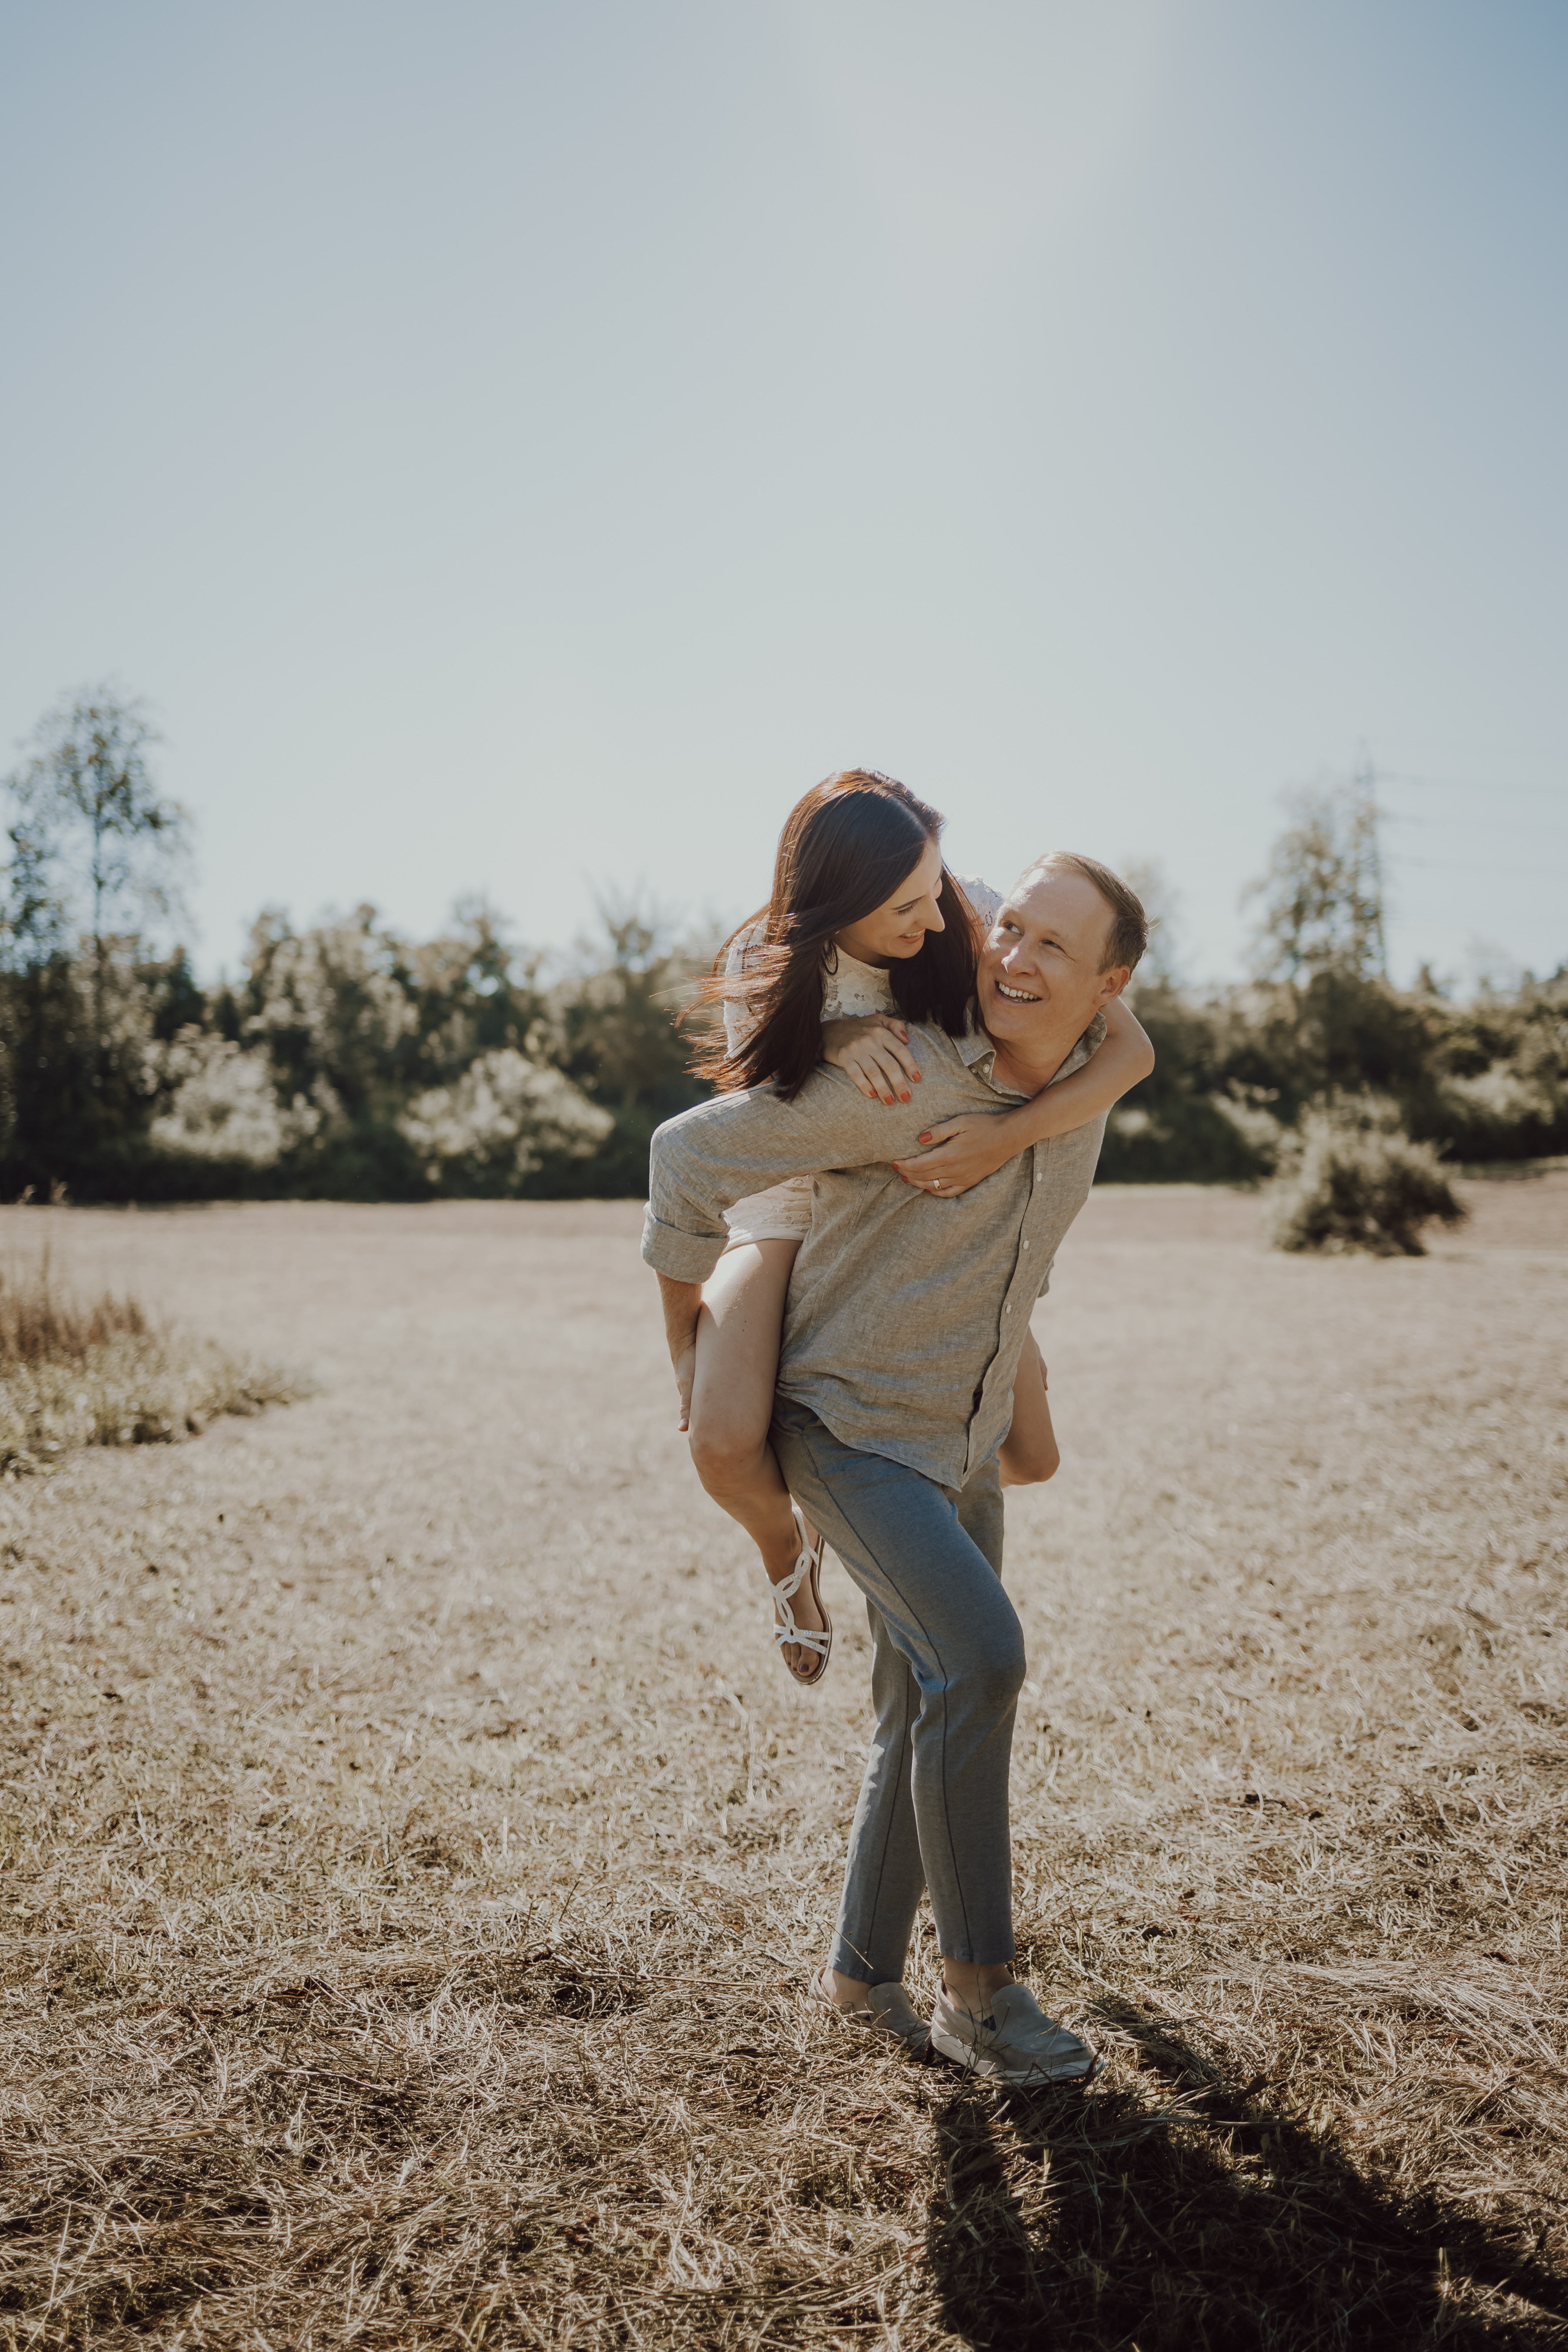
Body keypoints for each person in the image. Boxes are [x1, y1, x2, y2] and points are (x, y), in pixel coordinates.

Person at [644, 847, 1148, 2084]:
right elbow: (686, 1154)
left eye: (1051, 946)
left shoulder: (1088, 1070)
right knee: (979, 1655)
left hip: (956, 1427)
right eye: (1009, 928)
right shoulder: (902, 1071)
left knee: (920, 1695)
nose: (1013, 957)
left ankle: (857, 1975)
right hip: (846, 1425)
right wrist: (684, 1335)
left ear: (1111, 983)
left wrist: (1018, 1129)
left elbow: (1127, 1041)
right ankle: (980, 1990)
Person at [681, 771, 1153, 1685]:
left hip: (926, 1188)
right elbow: (760, 1107)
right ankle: (790, 1553)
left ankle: (856, 1511)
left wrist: (1005, 1138)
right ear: (841, 895)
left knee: (1034, 1455)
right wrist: (826, 1038)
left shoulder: (974, 910)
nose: (936, 915)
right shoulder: (767, 963)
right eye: (903, 897)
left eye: (932, 884)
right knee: (723, 1438)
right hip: (801, 1195)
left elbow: (1126, 1046)